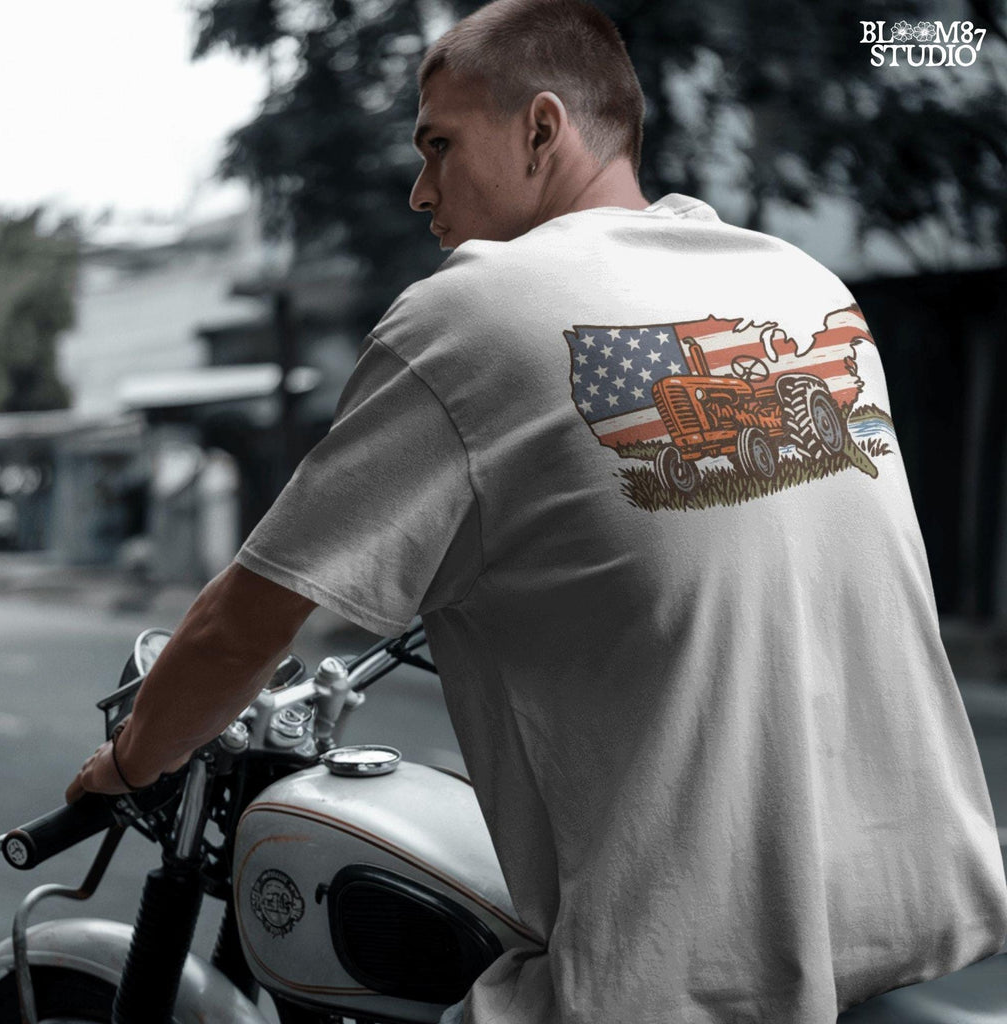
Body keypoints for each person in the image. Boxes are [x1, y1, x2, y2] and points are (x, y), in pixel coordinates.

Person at [66, 0, 1007, 1021]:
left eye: (439, 146)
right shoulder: (799, 283)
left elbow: (246, 620)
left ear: (542, 128)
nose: (421, 192)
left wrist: (128, 761)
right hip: (903, 916)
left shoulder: (471, 311)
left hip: (683, 978)